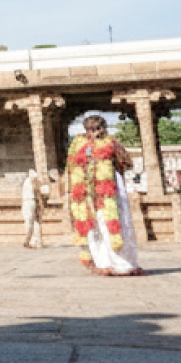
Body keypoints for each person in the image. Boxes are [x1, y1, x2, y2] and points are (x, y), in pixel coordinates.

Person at [65, 115, 143, 276]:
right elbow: (70, 167)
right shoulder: (78, 143)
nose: (94, 133)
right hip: (85, 194)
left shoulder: (111, 142)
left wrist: (110, 167)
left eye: (97, 129)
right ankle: (102, 263)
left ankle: (123, 265)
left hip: (108, 193)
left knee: (112, 228)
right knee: (93, 229)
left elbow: (126, 163)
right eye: (90, 129)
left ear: (103, 129)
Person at [20, 168, 58, 248]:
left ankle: (32, 240)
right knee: (32, 222)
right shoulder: (30, 182)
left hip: (31, 202)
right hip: (30, 201)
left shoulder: (32, 182)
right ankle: (32, 240)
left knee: (33, 222)